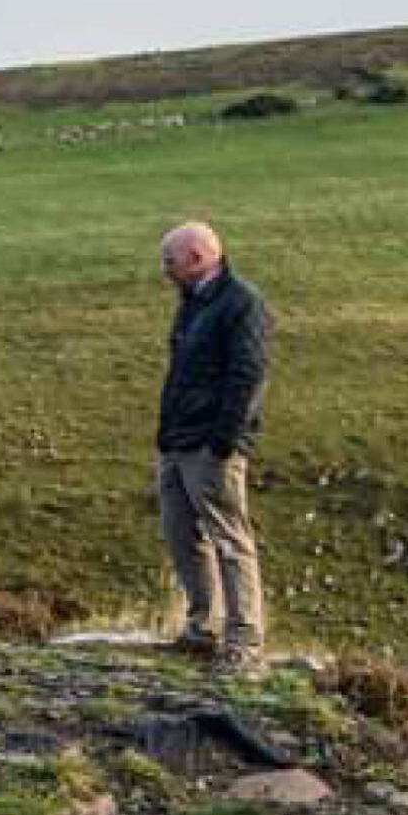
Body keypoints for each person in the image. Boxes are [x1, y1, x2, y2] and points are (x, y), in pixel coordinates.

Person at [153, 220, 272, 673]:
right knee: (181, 534)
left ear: (198, 258)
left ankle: (244, 642)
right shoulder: (192, 304)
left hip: (210, 446)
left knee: (229, 539)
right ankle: (203, 627)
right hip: (177, 442)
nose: (165, 271)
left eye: (170, 261)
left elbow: (248, 377)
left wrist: (224, 441)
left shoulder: (242, 305)